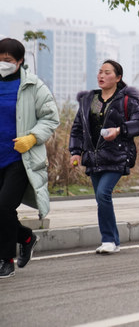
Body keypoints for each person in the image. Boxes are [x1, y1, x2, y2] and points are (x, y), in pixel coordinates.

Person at [70, 60, 139, 254]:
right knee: (100, 198)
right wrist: (75, 152)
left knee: (103, 194)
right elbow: (78, 128)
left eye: (107, 72)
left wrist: (120, 130)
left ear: (118, 78)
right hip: (94, 157)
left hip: (117, 155)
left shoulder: (125, 100)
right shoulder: (92, 99)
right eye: (100, 72)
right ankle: (114, 240)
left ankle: (107, 240)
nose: (101, 76)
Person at [0, 38, 58, 279]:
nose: (3, 64)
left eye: (8, 60)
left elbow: (51, 118)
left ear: (20, 61)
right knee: (2, 211)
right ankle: (26, 237)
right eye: (0, 59)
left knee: (3, 207)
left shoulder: (34, 86)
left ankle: (6, 260)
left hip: (19, 159)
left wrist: (33, 138)